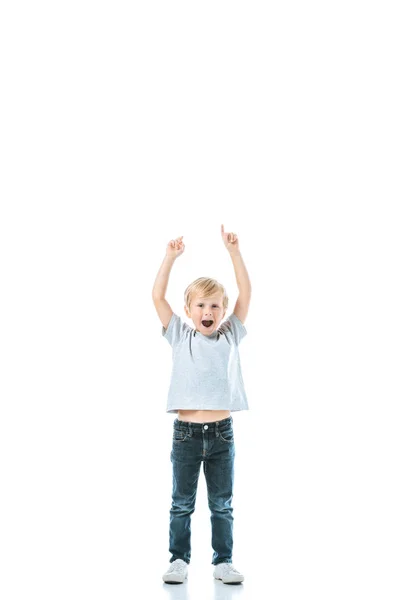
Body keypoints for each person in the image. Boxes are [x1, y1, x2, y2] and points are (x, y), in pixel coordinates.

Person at [152, 224, 251, 585]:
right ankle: (178, 559)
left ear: (223, 311)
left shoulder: (229, 334)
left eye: (215, 305)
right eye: (201, 305)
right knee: (181, 503)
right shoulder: (180, 334)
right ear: (189, 310)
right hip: (186, 435)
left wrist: (234, 253)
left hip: (222, 435)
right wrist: (170, 257)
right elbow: (157, 297)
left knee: (222, 505)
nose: (208, 310)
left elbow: (246, 293)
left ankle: (223, 562)